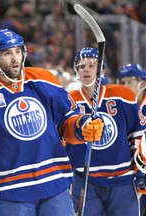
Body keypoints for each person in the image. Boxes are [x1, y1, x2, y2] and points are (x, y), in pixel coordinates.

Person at [0, 29, 104, 216]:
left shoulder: (44, 79)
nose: (15, 58)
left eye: (17, 51)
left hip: (54, 182)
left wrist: (83, 127)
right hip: (11, 189)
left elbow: (67, 122)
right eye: (8, 53)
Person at [66, 47, 145, 216]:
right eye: (81, 66)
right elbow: (63, 139)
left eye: (91, 65)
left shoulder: (123, 95)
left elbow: (137, 136)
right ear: (76, 71)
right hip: (86, 182)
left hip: (122, 181)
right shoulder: (68, 100)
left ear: (101, 69)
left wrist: (141, 170)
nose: (86, 69)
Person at [118, 63, 146, 216]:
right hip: (133, 171)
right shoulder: (118, 106)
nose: (125, 86)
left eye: (130, 81)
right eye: (122, 82)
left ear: (142, 83)